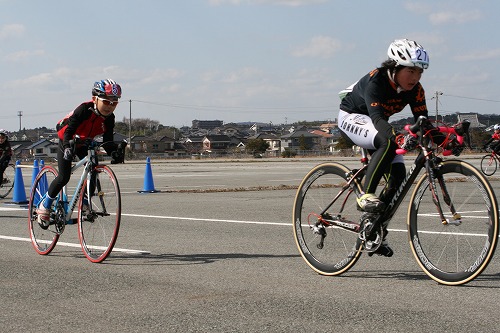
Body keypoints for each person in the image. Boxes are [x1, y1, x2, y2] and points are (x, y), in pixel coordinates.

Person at [337, 39, 431, 257]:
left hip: (376, 125)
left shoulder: (415, 90)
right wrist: (397, 137)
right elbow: (378, 120)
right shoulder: (377, 81)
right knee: (388, 141)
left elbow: (423, 123)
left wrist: (446, 138)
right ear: (395, 67)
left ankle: (373, 228)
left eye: (420, 72)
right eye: (411, 71)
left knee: (398, 177)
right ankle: (365, 195)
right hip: (352, 117)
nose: (416, 78)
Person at [36, 79, 125, 225]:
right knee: (64, 177)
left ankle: (84, 202)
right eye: (106, 101)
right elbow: (69, 131)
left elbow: (107, 141)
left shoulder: (110, 118)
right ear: (95, 99)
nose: (110, 106)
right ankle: (44, 205)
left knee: (93, 171)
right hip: (67, 138)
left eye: (114, 103)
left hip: (84, 142)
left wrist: (114, 152)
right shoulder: (84, 110)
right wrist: (67, 147)